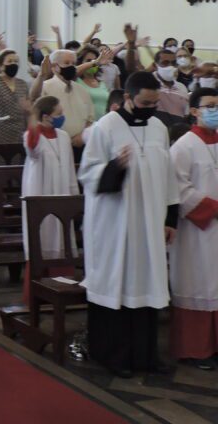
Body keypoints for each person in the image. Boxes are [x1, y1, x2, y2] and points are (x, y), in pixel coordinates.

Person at [78, 72, 179, 378]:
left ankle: (146, 356)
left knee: (148, 284)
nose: (151, 107)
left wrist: (170, 218)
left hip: (149, 223)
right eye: (145, 102)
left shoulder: (159, 127)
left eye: (155, 102)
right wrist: (115, 167)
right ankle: (113, 355)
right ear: (128, 98)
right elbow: (87, 173)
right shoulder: (105, 127)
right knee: (117, 284)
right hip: (115, 224)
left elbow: (168, 175)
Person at [167, 87, 218, 370]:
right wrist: (212, 208)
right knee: (198, 283)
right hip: (196, 230)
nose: (215, 111)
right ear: (195, 110)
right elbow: (176, 187)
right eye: (210, 105)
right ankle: (194, 349)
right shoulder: (183, 146)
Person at [21, 96, 79, 303]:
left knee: (62, 242)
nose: (62, 117)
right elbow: (33, 150)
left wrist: (73, 198)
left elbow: (70, 168)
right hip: (41, 197)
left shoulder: (63, 136)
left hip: (63, 196)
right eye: (58, 114)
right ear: (46, 116)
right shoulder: (32, 134)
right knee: (42, 242)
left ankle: (63, 291)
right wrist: (32, 117)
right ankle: (37, 295)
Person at [31, 49, 95, 149]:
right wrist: (41, 75)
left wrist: (82, 136)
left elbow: (90, 119)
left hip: (81, 144)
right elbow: (33, 99)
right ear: (54, 67)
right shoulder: (45, 87)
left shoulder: (82, 90)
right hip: (54, 144)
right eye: (66, 63)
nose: (71, 66)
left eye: (73, 63)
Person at [152, 48, 190, 122]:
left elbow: (185, 114)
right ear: (155, 65)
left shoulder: (181, 87)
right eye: (165, 63)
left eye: (173, 63)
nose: (170, 66)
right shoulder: (148, 84)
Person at [76, 46, 113, 121]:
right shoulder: (76, 80)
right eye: (88, 60)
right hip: (85, 125)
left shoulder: (102, 83)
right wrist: (95, 62)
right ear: (81, 62)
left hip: (101, 125)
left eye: (95, 60)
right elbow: (73, 71)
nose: (93, 63)